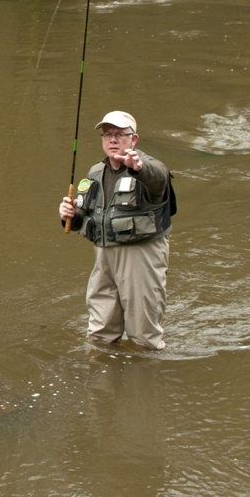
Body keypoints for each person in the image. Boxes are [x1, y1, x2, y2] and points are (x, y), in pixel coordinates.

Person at [59, 111, 174, 350]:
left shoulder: (149, 168)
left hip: (141, 255)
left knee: (143, 336)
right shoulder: (94, 173)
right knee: (99, 332)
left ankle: (145, 379)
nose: (113, 140)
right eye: (107, 134)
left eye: (120, 134)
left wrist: (138, 168)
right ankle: (102, 379)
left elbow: (158, 179)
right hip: (104, 257)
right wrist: (70, 215)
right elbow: (86, 215)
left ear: (134, 139)